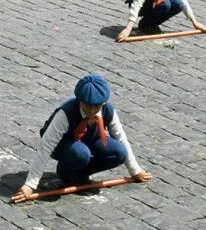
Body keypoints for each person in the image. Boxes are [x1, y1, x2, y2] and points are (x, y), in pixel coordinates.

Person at [10, 74, 151, 203]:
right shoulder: (66, 113)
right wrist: (30, 185)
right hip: (63, 145)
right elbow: (45, 147)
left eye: (96, 106)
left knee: (119, 152)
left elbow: (121, 139)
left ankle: (80, 174)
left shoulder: (108, 110)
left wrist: (135, 171)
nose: (91, 110)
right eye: (87, 105)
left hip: (89, 140)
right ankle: (66, 172)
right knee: (80, 154)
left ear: (103, 102)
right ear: (79, 100)